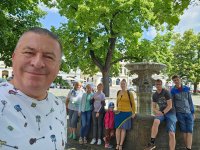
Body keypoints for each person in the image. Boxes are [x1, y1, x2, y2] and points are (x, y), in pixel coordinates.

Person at [0, 27, 67, 150]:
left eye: (48, 57)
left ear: (58, 67)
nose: (37, 63)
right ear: (13, 57)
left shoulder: (59, 106)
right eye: (29, 53)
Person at [144, 79, 177, 150]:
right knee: (156, 121)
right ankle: (152, 143)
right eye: (157, 84)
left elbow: (170, 105)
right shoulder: (155, 95)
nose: (158, 86)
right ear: (155, 85)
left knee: (171, 133)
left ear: (161, 85)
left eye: (159, 84)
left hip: (170, 112)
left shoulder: (166, 92)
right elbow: (153, 106)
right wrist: (157, 111)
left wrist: (162, 113)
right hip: (162, 112)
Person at [171, 75, 195, 150]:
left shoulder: (187, 89)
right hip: (179, 113)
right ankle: (187, 147)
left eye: (177, 79)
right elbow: (172, 104)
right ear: (173, 81)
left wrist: (193, 112)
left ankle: (188, 147)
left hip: (188, 113)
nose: (176, 81)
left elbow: (190, 101)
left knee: (190, 131)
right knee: (184, 131)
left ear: (180, 80)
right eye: (175, 80)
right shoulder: (172, 91)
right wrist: (174, 114)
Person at [115, 79, 136, 150]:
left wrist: (134, 112)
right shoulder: (118, 92)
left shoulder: (129, 93)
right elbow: (117, 102)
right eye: (121, 84)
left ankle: (121, 145)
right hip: (119, 112)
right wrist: (116, 109)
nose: (122, 85)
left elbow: (133, 104)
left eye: (124, 84)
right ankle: (117, 144)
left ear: (126, 85)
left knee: (123, 129)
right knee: (117, 129)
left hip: (127, 112)